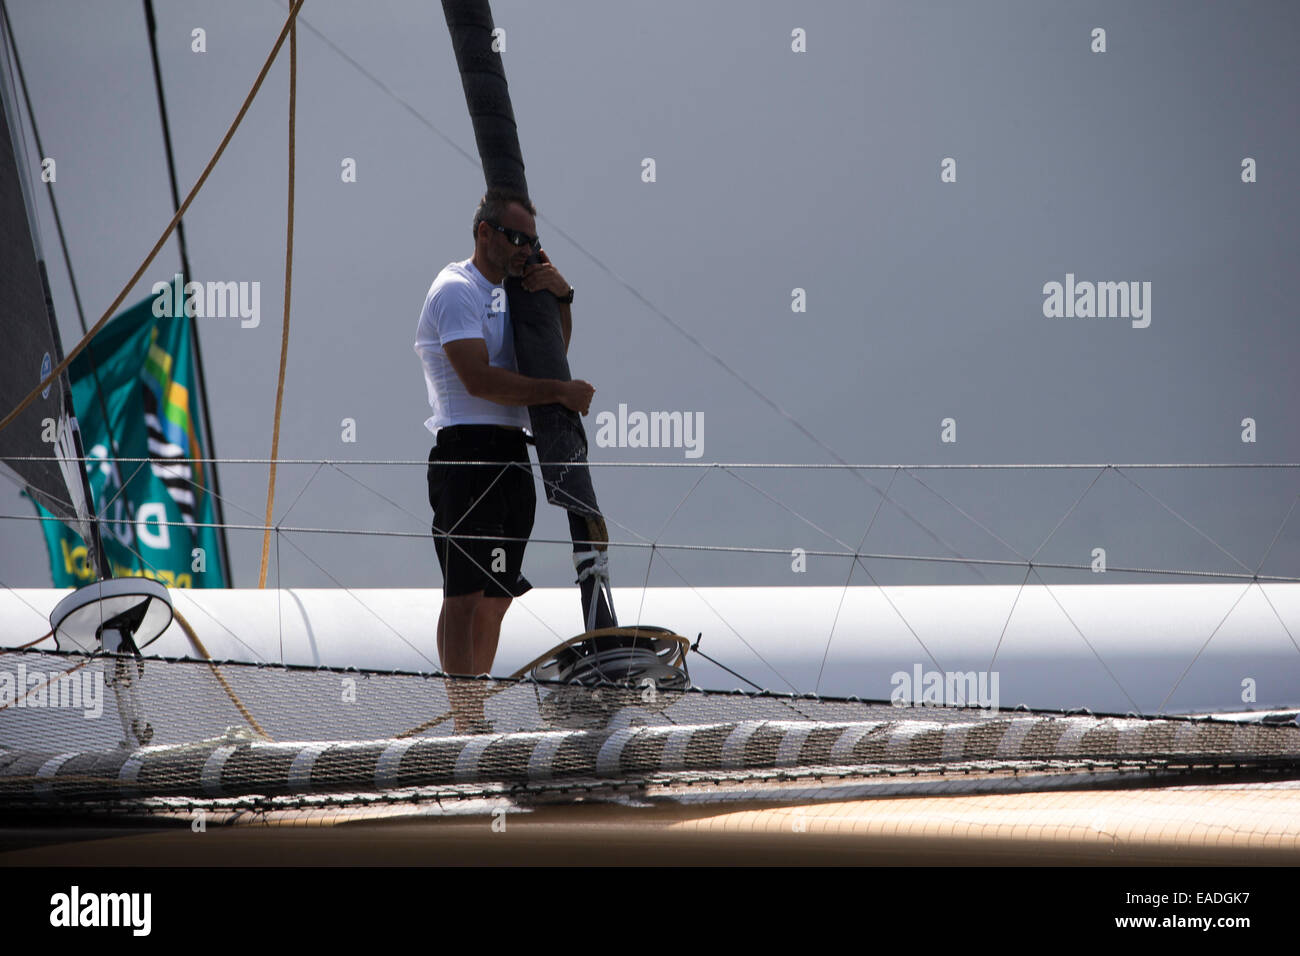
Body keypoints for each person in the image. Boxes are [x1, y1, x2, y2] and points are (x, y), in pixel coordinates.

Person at [414, 189, 594, 731]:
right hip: (466, 451)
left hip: (512, 454)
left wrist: (561, 298)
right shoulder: (456, 289)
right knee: (463, 592)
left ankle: (473, 711)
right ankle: (466, 721)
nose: (524, 249)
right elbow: (480, 379)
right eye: (516, 238)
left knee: (497, 594)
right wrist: (558, 395)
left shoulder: (512, 294)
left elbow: (548, 354)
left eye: (532, 241)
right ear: (485, 233)